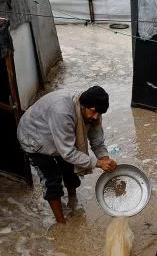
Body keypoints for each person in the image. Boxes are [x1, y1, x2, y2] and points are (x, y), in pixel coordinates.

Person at [17, 85, 118, 224]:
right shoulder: (62, 112)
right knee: (51, 180)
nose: (96, 117)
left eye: (100, 114)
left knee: (70, 169)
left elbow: (97, 141)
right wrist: (97, 163)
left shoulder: (93, 112)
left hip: (58, 134)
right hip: (34, 137)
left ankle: (73, 202)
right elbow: (68, 153)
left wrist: (105, 160)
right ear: (83, 105)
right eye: (94, 112)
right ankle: (61, 223)